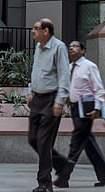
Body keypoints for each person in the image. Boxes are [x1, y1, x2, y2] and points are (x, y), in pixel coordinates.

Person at [53, 40, 105, 188]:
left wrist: (97, 108)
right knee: (88, 143)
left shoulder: (89, 66)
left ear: (83, 50)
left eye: (75, 46)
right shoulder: (69, 68)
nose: (72, 49)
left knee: (76, 142)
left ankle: (64, 176)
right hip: (75, 108)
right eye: (70, 46)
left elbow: (98, 89)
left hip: (86, 109)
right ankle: (104, 174)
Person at [25, 17, 70, 192]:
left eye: (36, 28)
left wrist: (60, 101)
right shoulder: (38, 47)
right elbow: (35, 70)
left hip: (52, 100)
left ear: (46, 31)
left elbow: (64, 76)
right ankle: (63, 166)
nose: (32, 31)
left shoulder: (59, 47)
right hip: (37, 99)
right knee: (33, 139)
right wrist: (30, 91)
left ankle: (44, 183)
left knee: (44, 141)